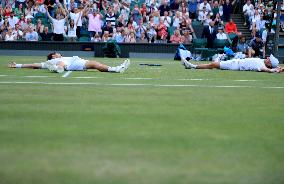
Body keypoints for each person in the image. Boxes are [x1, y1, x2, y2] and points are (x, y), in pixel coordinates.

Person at [8, 52, 131, 73]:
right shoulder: (53, 60)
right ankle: (58, 69)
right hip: (70, 64)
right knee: (61, 63)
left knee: (95, 64)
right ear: (52, 56)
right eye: (55, 53)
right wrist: (17, 65)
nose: (57, 53)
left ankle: (116, 69)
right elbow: (34, 65)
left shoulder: (62, 57)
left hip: (78, 61)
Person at [180, 54, 283, 73]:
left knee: (213, 64)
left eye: (270, 59)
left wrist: (274, 70)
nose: (269, 57)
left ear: (269, 64)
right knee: (214, 64)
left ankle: (192, 66)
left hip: (235, 65)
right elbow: (273, 67)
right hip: (235, 62)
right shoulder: (263, 61)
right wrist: (279, 67)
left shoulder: (262, 66)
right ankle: (192, 66)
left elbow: (268, 70)